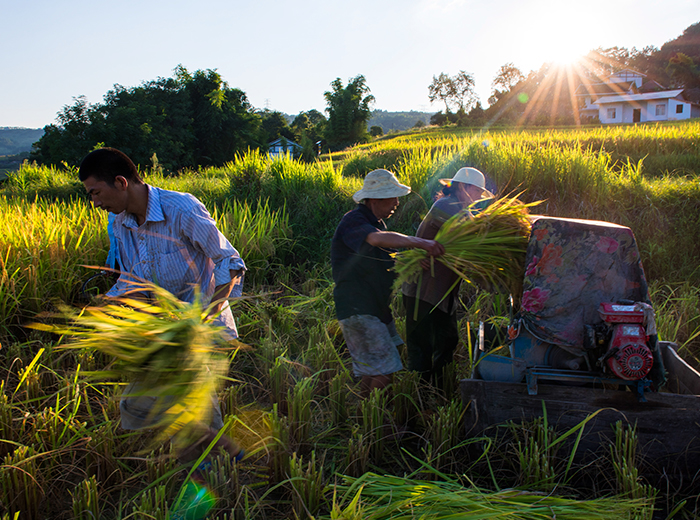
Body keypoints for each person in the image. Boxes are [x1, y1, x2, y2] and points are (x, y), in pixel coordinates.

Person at [78, 147, 245, 464]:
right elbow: (136, 280)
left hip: (202, 330)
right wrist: (107, 305)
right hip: (166, 332)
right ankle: (222, 452)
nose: (95, 203)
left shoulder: (181, 208)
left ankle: (217, 469)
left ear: (121, 182)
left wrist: (205, 316)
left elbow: (230, 261)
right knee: (136, 404)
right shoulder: (121, 224)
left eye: (96, 193)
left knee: (190, 408)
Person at [331, 169, 445, 397]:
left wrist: (409, 262)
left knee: (375, 367)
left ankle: (365, 413)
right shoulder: (355, 220)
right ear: (375, 199)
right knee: (385, 370)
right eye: (392, 198)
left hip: (375, 307)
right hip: (358, 308)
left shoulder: (377, 224)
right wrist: (421, 243)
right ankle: (375, 420)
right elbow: (375, 239)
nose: (396, 203)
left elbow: (384, 260)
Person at [402, 167, 493, 389]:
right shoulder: (445, 207)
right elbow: (471, 234)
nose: (480, 196)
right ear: (462, 187)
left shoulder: (462, 211)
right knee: (423, 346)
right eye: (477, 191)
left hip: (442, 292)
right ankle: (420, 392)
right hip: (423, 290)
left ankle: (440, 388)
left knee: (447, 340)